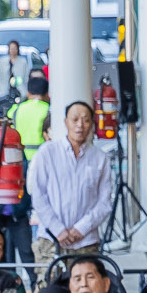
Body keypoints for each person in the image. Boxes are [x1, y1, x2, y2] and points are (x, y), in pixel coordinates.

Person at [31, 101, 114, 265]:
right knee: (49, 288)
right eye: (75, 119)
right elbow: (38, 195)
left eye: (86, 120)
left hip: (86, 241)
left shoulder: (100, 158)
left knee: (86, 288)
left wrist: (81, 228)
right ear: (65, 122)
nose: (80, 125)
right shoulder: (48, 152)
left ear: (91, 124)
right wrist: (58, 229)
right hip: (51, 239)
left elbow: (104, 202)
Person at [9, 73, 54, 150]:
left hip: (21, 155)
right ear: (47, 94)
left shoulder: (15, 109)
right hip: (43, 154)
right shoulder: (50, 110)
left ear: (28, 93)